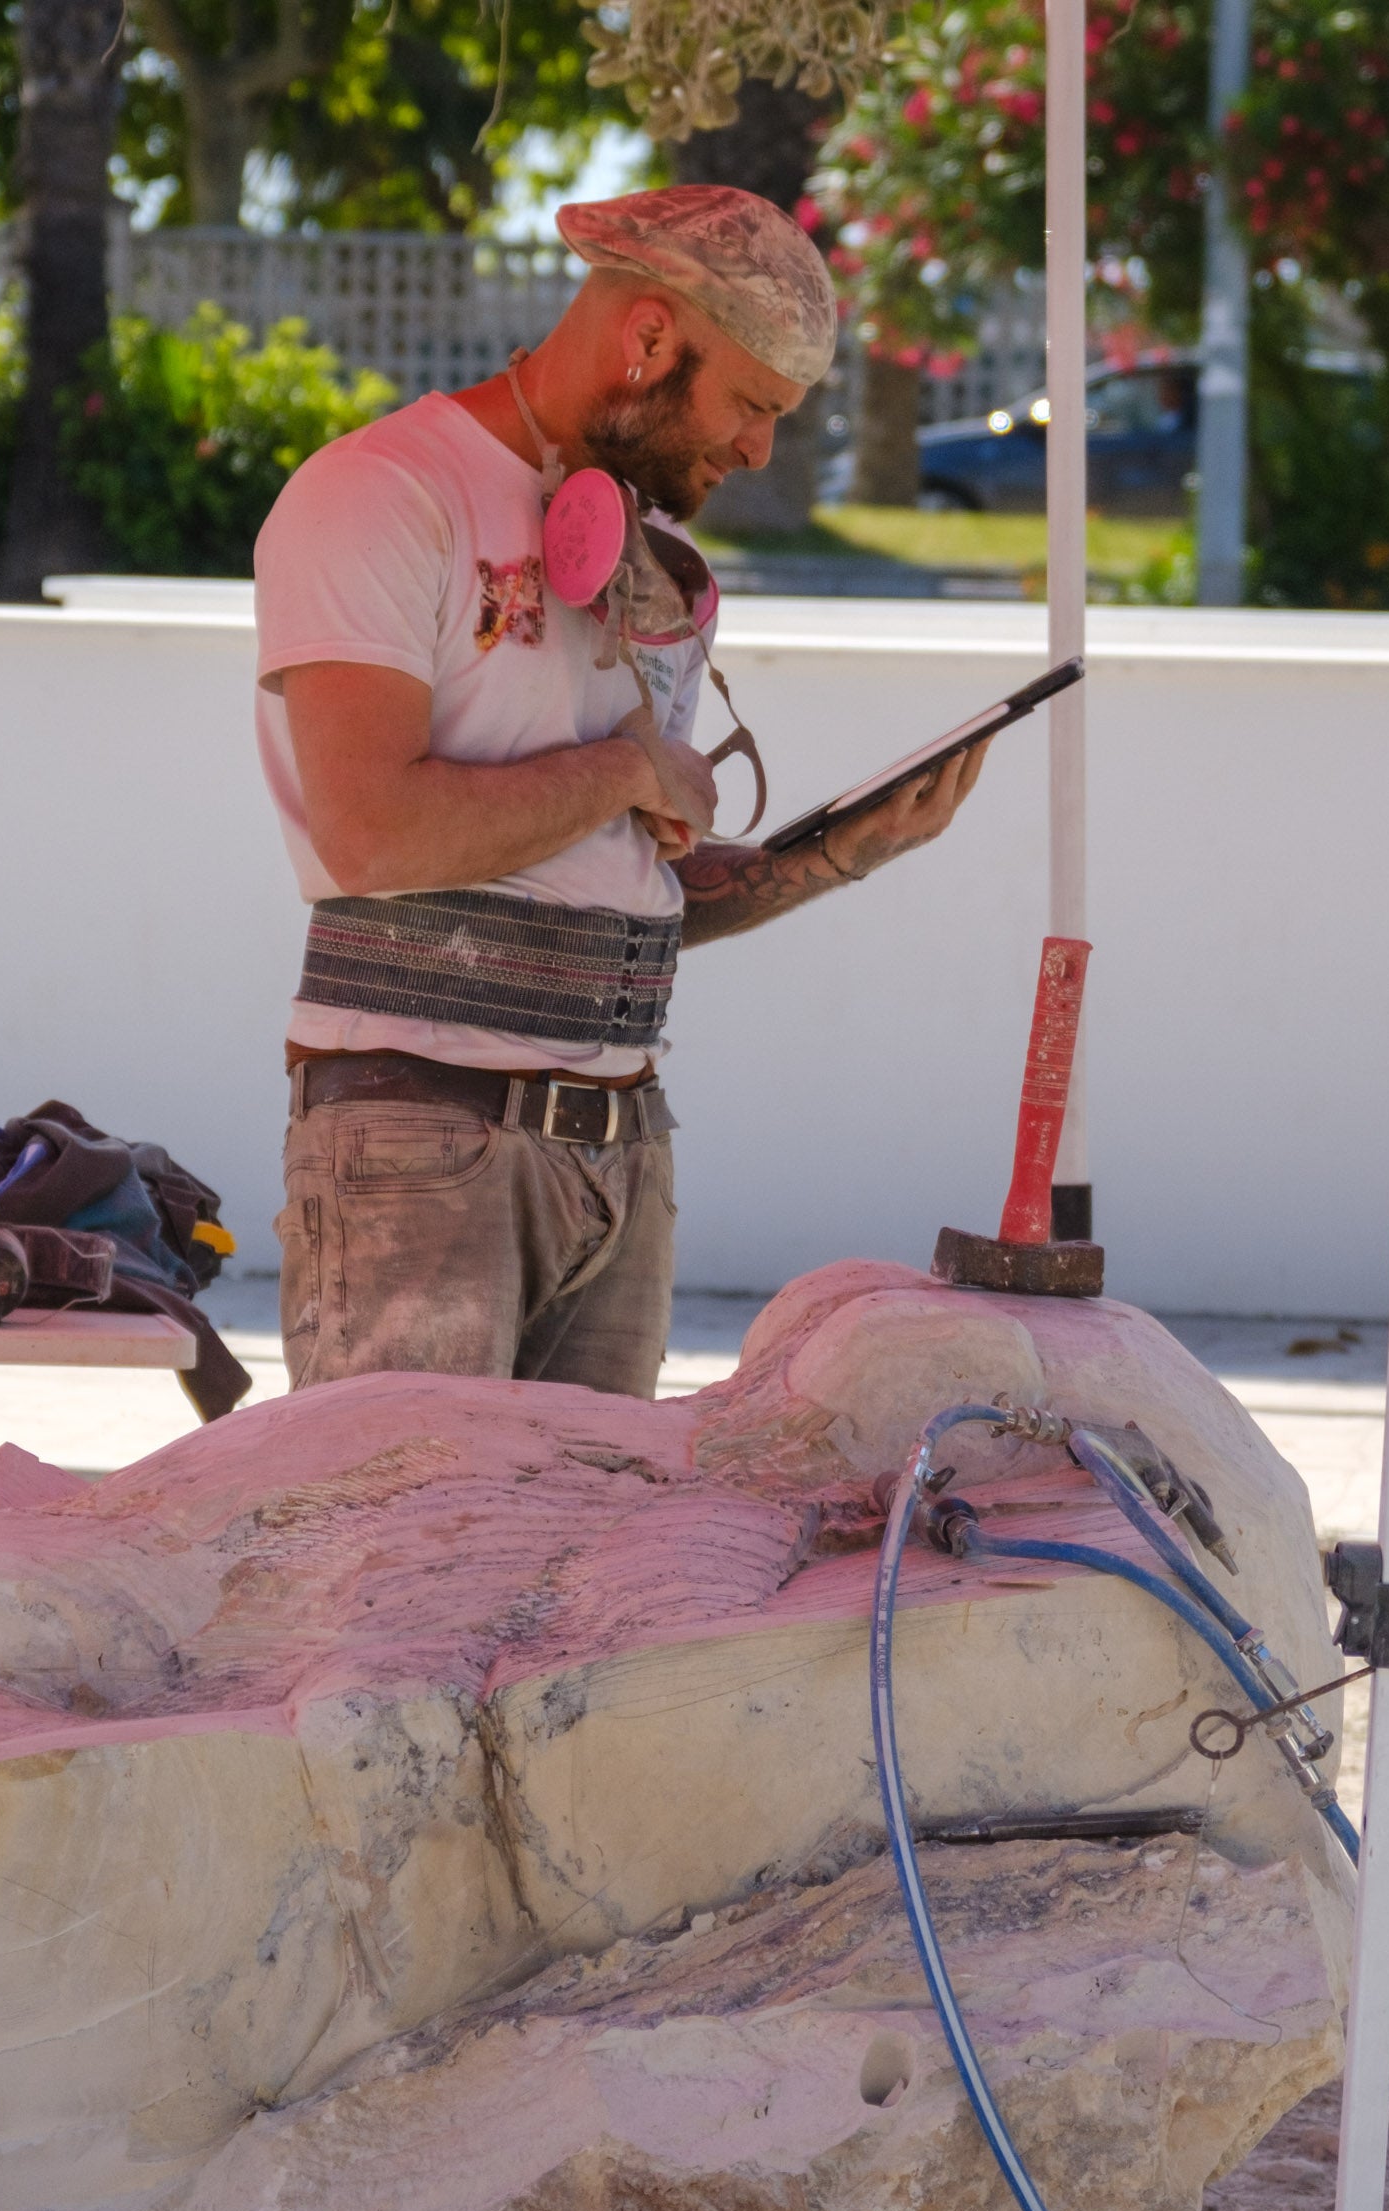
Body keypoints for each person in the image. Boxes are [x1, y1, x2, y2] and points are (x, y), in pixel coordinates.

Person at [252, 184, 993, 1398]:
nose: (760, 450)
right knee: (407, 1563)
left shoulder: (645, 553)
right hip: (420, 1146)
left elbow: (610, 883)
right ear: (649, 339)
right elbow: (371, 829)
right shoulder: (380, 493)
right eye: (752, 405)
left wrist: (836, 855)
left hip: (622, 1153)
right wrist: (630, 766)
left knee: (582, 1580)